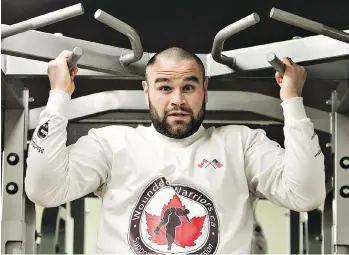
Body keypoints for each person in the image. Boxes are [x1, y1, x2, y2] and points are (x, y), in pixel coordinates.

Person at [25, 47, 326, 254]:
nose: (177, 100)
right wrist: (58, 97)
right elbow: (44, 190)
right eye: (165, 87)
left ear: (205, 89)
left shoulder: (242, 144)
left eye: (189, 87)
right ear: (147, 91)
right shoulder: (111, 145)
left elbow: (307, 194)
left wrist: (292, 101)